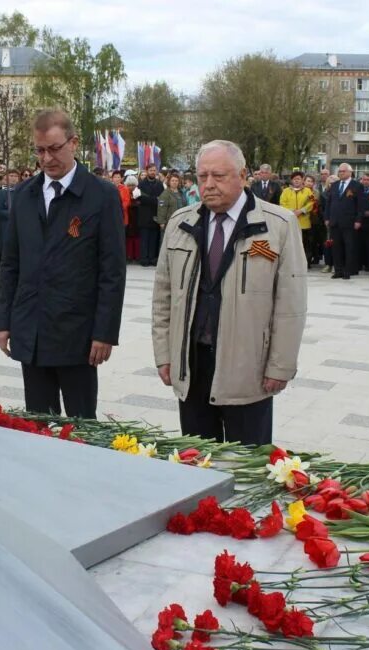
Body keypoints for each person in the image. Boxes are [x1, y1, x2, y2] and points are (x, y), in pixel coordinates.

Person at [151, 140, 307, 446]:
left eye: (219, 176)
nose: (208, 185)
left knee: (247, 467)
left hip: (248, 368)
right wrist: (164, 355)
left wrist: (280, 365)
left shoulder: (278, 225)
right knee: (198, 462)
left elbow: (291, 304)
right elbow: (163, 297)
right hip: (192, 364)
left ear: (243, 174)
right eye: (202, 176)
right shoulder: (181, 223)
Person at [0, 108, 126, 418]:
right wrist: (4, 321)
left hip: (77, 335)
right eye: (40, 150)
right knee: (38, 426)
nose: (47, 158)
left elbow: (112, 271)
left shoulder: (101, 196)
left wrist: (104, 332)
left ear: (73, 143)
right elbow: (11, 264)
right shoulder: (24, 195)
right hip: (32, 329)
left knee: (82, 426)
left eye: (54, 148)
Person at [324, 163, 364, 280]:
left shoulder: (356, 185)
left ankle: (348, 270)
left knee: (349, 247)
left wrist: (358, 220)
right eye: (339, 171)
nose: (340, 173)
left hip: (349, 222)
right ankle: (338, 270)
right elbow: (329, 203)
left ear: (350, 172)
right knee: (336, 247)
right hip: (335, 222)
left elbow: (360, 205)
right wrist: (327, 217)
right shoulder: (335, 185)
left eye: (343, 171)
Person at [279, 171, 316, 266]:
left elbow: (312, 202)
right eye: (294, 179)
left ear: (302, 180)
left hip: (304, 222)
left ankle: (306, 262)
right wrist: (292, 211)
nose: (296, 181)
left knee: (305, 244)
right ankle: (292, 263)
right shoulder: (286, 191)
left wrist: (302, 210)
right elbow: (282, 203)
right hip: (290, 222)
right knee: (291, 244)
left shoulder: (308, 191)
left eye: (298, 179)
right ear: (291, 180)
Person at [137, 165, 164, 266]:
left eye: (154, 170)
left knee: (153, 238)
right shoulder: (141, 184)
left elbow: (161, 199)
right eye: (151, 170)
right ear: (147, 171)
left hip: (155, 214)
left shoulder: (159, 184)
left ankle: (153, 258)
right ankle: (144, 259)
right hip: (144, 215)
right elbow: (140, 198)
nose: (153, 172)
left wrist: (151, 200)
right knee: (144, 238)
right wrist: (154, 199)